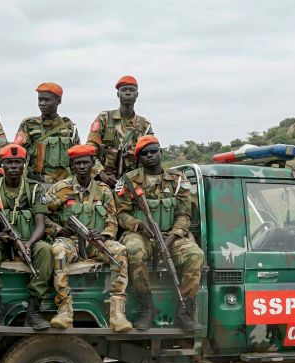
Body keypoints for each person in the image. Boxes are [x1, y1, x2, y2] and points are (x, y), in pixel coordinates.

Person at [115, 135, 203, 331]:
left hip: (170, 236)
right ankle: (147, 308)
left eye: (153, 151)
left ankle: (184, 312)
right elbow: (121, 214)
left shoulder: (178, 180)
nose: (149, 156)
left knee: (195, 254)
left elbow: (184, 215)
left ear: (161, 152)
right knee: (134, 250)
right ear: (139, 158)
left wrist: (170, 239)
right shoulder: (129, 181)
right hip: (141, 235)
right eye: (144, 154)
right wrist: (139, 226)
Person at [46, 145, 132, 332]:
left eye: (86, 162)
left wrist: (105, 234)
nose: (82, 166)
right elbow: (42, 216)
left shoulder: (103, 190)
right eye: (78, 163)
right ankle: (64, 310)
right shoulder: (60, 189)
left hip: (95, 243)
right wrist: (59, 230)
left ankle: (117, 313)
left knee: (119, 251)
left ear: (93, 164)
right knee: (58, 251)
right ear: (71, 166)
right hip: (71, 242)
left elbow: (112, 220)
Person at [0, 144, 53, 329]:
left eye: (18, 162)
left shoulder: (34, 189)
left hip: (29, 241)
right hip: (2, 242)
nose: (14, 167)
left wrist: (29, 243)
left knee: (46, 249)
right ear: (3, 164)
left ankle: (33, 310)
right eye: (9, 163)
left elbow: (41, 225)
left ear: (24, 164)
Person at [86, 75, 153, 187]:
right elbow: (90, 148)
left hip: (132, 183)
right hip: (103, 182)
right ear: (118, 94)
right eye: (123, 90)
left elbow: (151, 153)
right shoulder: (105, 118)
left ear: (137, 95)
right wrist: (100, 172)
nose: (127, 93)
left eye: (131, 90)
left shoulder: (144, 125)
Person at [13, 82, 80, 184]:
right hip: (36, 181)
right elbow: (15, 152)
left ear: (58, 101)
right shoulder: (29, 124)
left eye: (47, 100)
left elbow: (77, 153)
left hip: (64, 183)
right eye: (40, 99)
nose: (42, 103)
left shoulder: (68, 125)